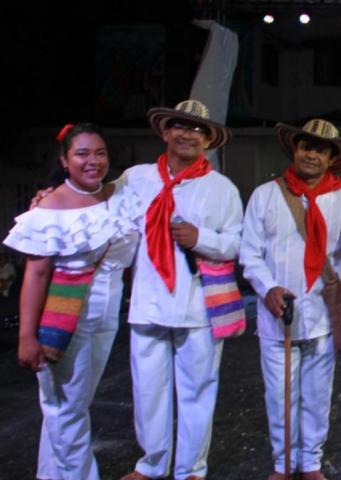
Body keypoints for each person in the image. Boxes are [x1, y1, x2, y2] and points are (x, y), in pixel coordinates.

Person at [4, 123, 141, 480]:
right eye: (82, 154)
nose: (93, 161)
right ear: (65, 160)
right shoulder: (50, 208)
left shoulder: (120, 194)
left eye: (100, 153)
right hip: (65, 316)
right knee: (65, 408)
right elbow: (35, 275)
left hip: (107, 314)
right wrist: (26, 336)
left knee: (73, 405)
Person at [119, 100, 244, 480]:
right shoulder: (136, 178)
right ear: (165, 132)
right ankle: (151, 465)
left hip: (198, 306)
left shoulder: (222, 188)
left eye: (197, 129)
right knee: (149, 393)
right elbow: (104, 215)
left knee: (198, 391)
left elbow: (236, 243)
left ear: (208, 139)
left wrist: (200, 237)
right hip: (148, 302)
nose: (188, 134)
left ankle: (192, 468)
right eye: (180, 126)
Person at [240, 119, 341, 480]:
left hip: (324, 315)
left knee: (317, 396)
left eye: (320, 149)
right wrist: (269, 288)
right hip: (278, 314)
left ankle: (310, 462)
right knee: (278, 396)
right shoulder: (265, 195)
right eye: (306, 146)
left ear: (331, 157)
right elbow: (249, 253)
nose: (311, 154)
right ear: (294, 150)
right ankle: (282, 463)